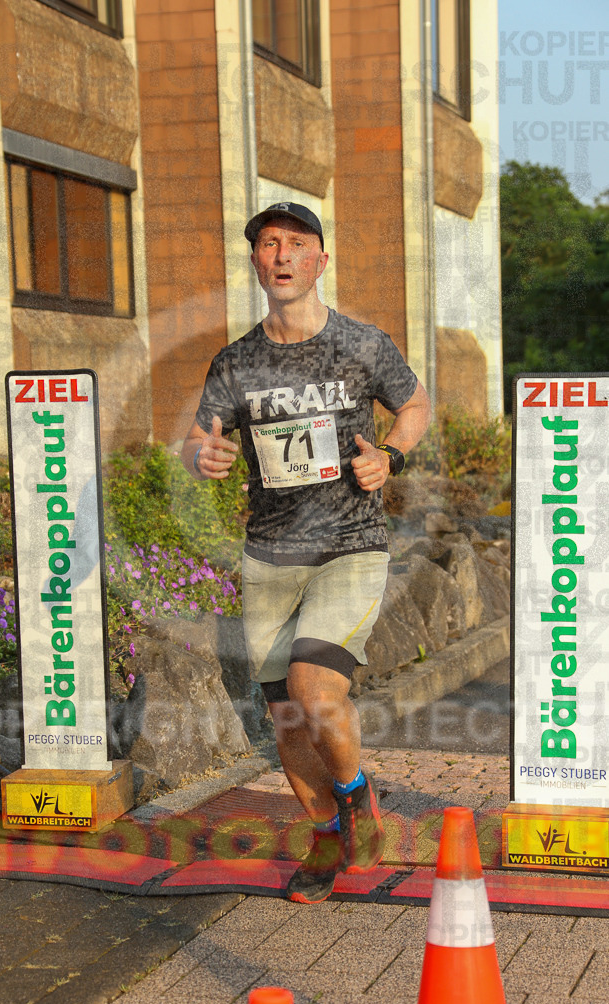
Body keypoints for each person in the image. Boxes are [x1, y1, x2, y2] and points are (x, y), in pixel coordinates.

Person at [182, 202, 431, 903]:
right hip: (269, 555)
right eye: (269, 244)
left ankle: (355, 794)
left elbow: (415, 405)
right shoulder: (235, 361)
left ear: (320, 260)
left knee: (313, 692)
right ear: (256, 261)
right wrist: (203, 455)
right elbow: (200, 436)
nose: (282, 255)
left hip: (349, 545)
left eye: (297, 243)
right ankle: (325, 837)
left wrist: (390, 456)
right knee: (285, 719)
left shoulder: (361, 343)